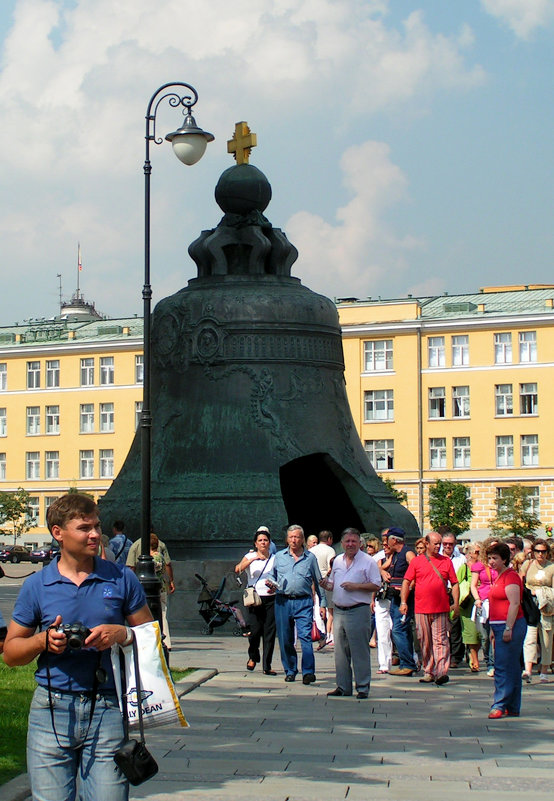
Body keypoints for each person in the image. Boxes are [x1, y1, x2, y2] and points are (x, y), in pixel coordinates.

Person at [3, 493, 153, 801]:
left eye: (97, 526)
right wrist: (42, 640)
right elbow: (11, 654)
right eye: (85, 528)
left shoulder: (121, 578)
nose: (96, 534)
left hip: (108, 708)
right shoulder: (37, 586)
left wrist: (120, 634)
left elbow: (151, 634)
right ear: (58, 533)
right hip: (51, 710)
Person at [321, 528, 381, 699]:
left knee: (359, 651)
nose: (350, 544)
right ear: (342, 544)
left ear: (360, 544)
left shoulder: (368, 561)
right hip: (339, 610)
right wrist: (325, 584)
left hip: (358, 610)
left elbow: (376, 584)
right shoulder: (338, 561)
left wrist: (356, 587)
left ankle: (362, 687)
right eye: (347, 541)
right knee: (340, 651)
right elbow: (333, 583)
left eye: (354, 541)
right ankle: (343, 686)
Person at [266, 524, 323, 684]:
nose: (294, 540)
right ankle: (290, 670)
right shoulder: (279, 556)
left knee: (305, 637)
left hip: (303, 601)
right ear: (287, 539)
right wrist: (271, 583)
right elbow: (272, 575)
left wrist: (323, 603)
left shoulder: (310, 558)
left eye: (297, 537)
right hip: (283, 601)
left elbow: (318, 581)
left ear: (302, 539)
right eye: (291, 537)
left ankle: (308, 672)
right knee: (286, 638)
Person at [400, 532, 460, 686]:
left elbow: (454, 583)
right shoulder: (417, 562)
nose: (438, 546)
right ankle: (429, 670)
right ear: (427, 544)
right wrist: (403, 602)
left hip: (440, 608)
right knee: (425, 641)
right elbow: (407, 582)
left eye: (440, 543)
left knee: (440, 641)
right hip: (421, 608)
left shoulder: (446, 562)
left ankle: (441, 672)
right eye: (435, 543)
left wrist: (456, 603)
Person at [486, 541, 526, 718]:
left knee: (502, 666)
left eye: (495, 558)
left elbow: (515, 603)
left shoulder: (510, 577)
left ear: (504, 559)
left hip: (510, 625)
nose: (491, 562)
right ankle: (513, 705)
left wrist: (508, 628)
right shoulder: (499, 576)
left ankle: (499, 704)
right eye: (489, 558)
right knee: (512, 666)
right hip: (499, 625)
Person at [235, 529, 277, 675]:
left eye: (265, 540)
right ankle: (253, 655)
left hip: (271, 598)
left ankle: (267, 665)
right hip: (254, 598)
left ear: (269, 542)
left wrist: (274, 586)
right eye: (260, 540)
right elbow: (238, 569)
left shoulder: (274, 558)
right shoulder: (249, 556)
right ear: (255, 543)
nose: (263, 543)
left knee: (269, 632)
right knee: (254, 631)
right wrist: (253, 559)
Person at [383, 528, 417, 677]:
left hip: (404, 598)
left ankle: (407, 663)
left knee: (398, 629)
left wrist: (409, 586)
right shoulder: (394, 555)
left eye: (388, 539)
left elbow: (416, 570)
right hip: (395, 598)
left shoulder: (407, 553)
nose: (386, 543)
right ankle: (406, 663)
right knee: (402, 630)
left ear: (394, 540)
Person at [521, 538, 554, 683]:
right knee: (530, 637)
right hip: (530, 604)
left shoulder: (551, 567)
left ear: (547, 552)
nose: (540, 554)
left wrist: (541, 593)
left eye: (543, 552)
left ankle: (544, 670)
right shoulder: (527, 564)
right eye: (537, 551)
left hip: (546, 605)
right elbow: (520, 580)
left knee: (546, 638)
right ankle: (528, 669)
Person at [470, 537, 498, 677]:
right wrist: (477, 599)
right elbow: (473, 585)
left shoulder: (502, 565)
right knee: (486, 636)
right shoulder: (479, 566)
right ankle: (488, 661)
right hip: (484, 601)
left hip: (498, 601)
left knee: (496, 634)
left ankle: (495, 663)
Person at [441, 532, 466, 668]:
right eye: (445, 544)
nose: (447, 546)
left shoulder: (461, 559)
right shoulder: (438, 558)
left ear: (455, 544)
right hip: (441, 593)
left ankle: (456, 656)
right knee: (441, 625)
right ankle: (444, 654)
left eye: (450, 544)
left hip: (456, 592)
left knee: (455, 625)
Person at [458, 542, 482, 672]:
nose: (478, 555)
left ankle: (474, 654)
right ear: (470, 553)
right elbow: (457, 582)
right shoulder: (465, 567)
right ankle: (474, 658)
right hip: (468, 603)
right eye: (476, 552)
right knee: (471, 632)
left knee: (479, 632)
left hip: (481, 601)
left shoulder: (484, 567)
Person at [311, 531, 336, 648]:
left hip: (312, 582)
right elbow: (332, 567)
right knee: (330, 609)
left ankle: (321, 631)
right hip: (326, 582)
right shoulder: (330, 550)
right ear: (329, 539)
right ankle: (330, 635)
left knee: (317, 607)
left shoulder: (311, 551)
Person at [150, 532, 172, 651]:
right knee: (163, 613)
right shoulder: (161, 556)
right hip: (162, 587)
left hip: (155, 590)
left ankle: (162, 640)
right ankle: (166, 640)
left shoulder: (153, 558)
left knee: (159, 615)